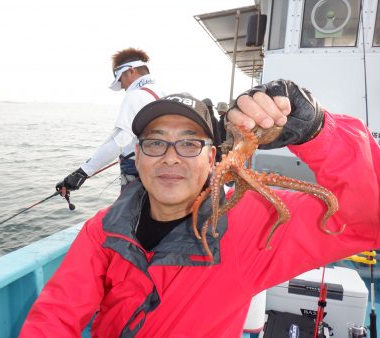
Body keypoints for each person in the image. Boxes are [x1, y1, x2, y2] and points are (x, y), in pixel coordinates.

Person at [20, 80, 380, 337]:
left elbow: (368, 220)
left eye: (189, 143)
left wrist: (320, 132)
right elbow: (56, 315)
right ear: (138, 156)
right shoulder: (102, 230)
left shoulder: (253, 227)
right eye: (156, 143)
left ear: (212, 157)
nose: (171, 158)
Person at [56, 47, 164, 193]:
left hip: (138, 172)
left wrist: (82, 173)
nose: (123, 86)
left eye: (121, 79)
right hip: (157, 169)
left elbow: (120, 141)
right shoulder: (161, 93)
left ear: (131, 71)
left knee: (129, 214)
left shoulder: (136, 96)